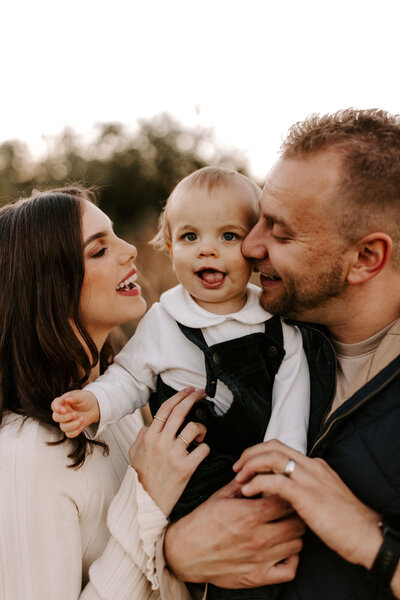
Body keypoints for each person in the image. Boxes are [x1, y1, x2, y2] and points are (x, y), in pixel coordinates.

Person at [162, 108, 400, 600]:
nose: (249, 246)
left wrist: (367, 537)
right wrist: (177, 551)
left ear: (366, 258)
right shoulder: (252, 339)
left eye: (279, 230)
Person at [0, 186, 211, 600]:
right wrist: (145, 494)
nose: (130, 250)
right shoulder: (24, 453)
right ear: (48, 288)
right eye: (98, 250)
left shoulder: (115, 405)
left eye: (114, 235)